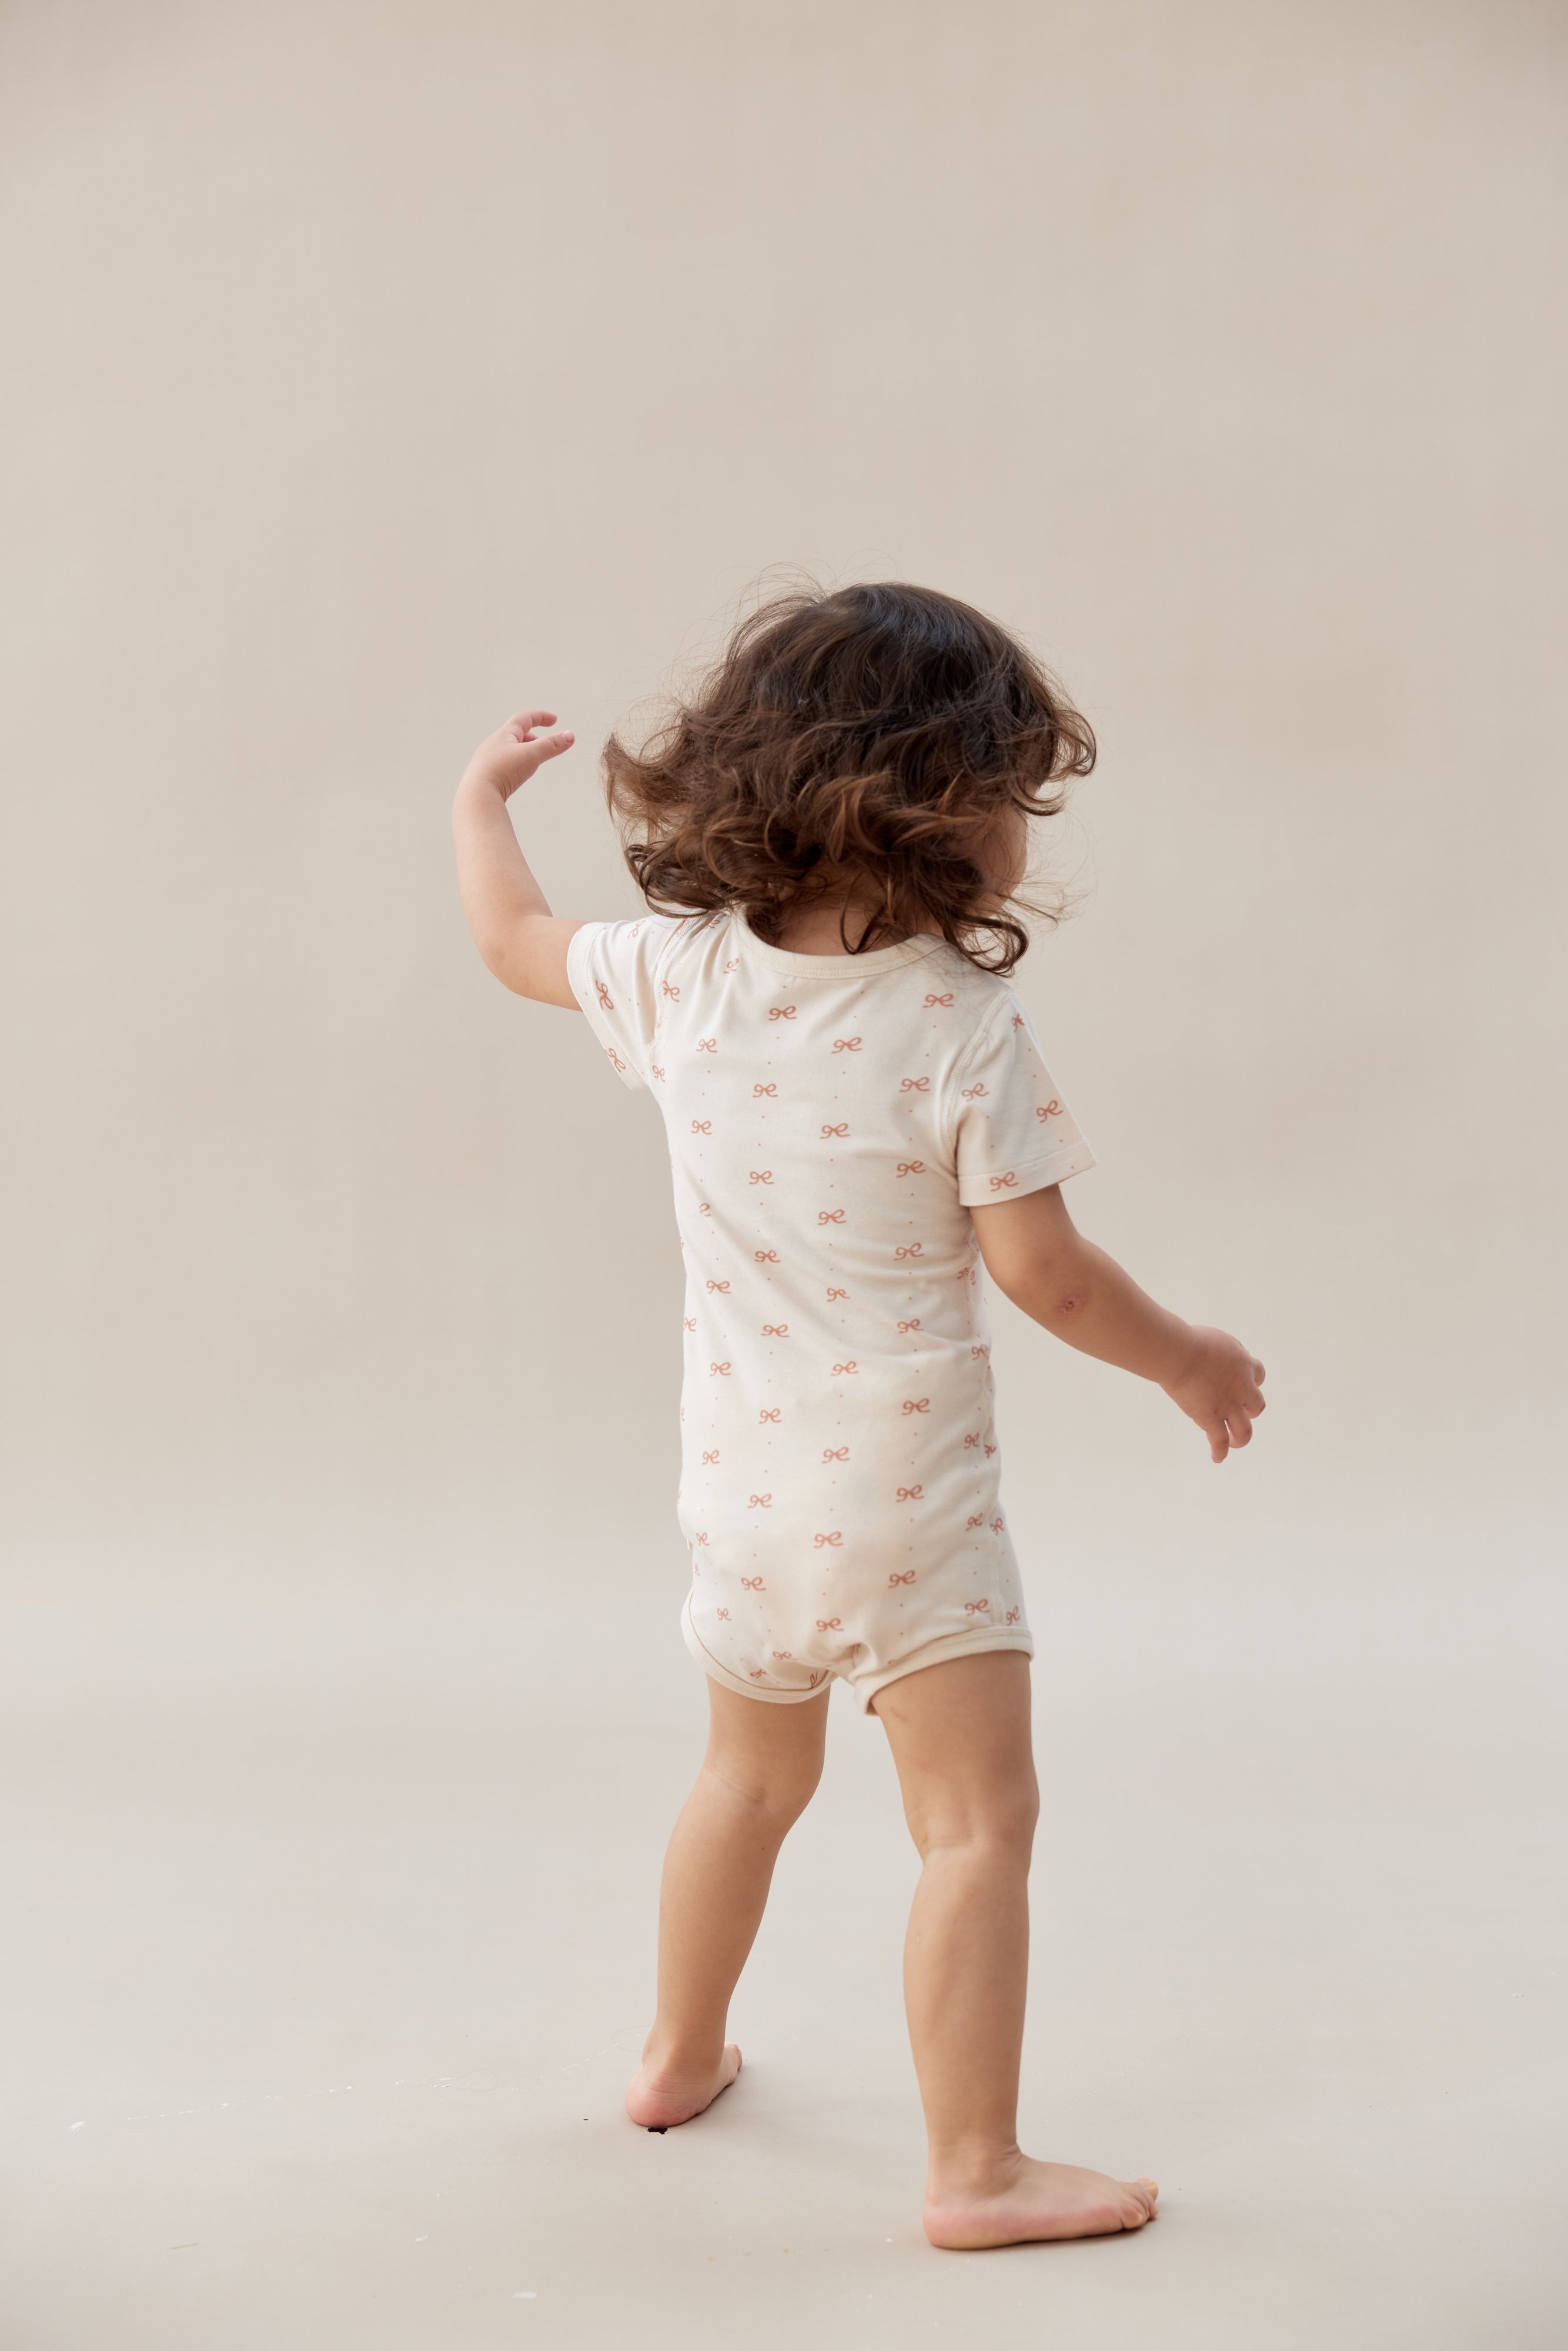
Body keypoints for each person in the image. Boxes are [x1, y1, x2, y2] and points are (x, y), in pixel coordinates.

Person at [451, 581, 1266, 2250]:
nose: (1025, 837)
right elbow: (1046, 1278)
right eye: (1013, 801)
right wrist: (1190, 1358)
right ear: (933, 810)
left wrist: (475, 804)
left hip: (737, 1498)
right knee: (974, 1823)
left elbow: (512, 945)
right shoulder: (959, 1025)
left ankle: (675, 2057)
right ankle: (974, 2168)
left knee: (742, 1783)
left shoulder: (679, 977)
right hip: (905, 1511)